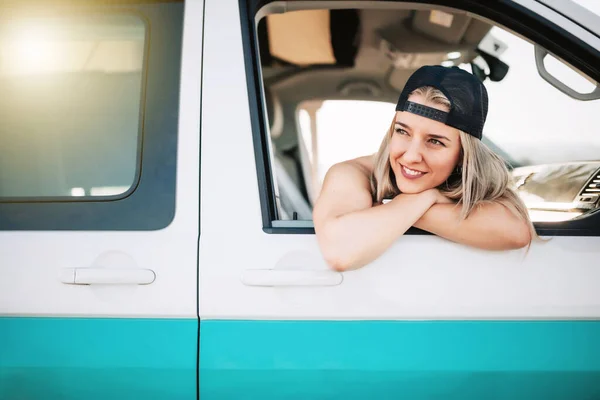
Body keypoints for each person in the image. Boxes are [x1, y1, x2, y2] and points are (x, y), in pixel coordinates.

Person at [313, 65, 535, 272]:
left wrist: (408, 206)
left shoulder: (473, 183)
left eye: (435, 141)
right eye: (403, 132)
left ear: (463, 156)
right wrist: (422, 199)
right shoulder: (354, 174)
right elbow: (339, 250)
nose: (410, 156)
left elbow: (517, 232)